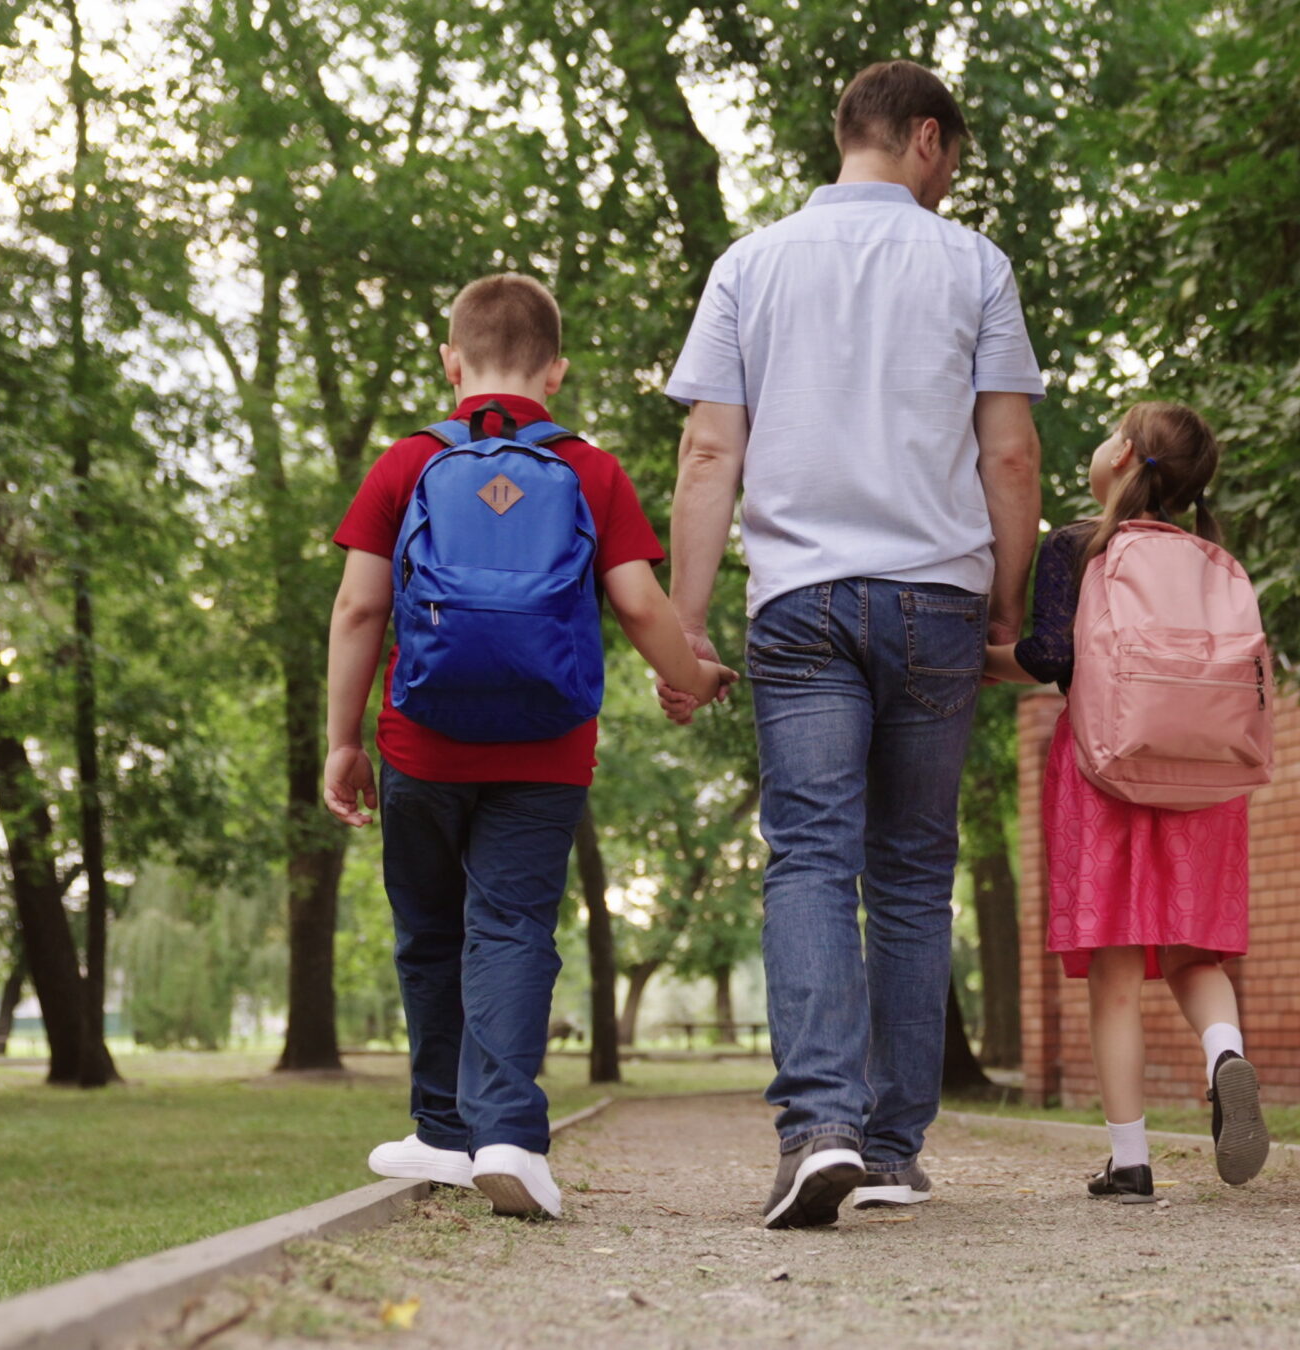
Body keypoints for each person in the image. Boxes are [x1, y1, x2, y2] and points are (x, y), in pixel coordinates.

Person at [659, 59, 1046, 1228]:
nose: (949, 184)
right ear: (927, 139)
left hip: (803, 607)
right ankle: (890, 1149)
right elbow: (1012, 455)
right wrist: (1009, 610)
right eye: (954, 162)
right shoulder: (974, 265)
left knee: (812, 858)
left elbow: (709, 457)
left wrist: (683, 626)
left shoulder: (750, 266)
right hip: (934, 600)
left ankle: (816, 1129)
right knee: (916, 875)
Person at [323, 272, 735, 1219]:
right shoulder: (590, 470)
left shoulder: (406, 462)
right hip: (547, 750)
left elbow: (358, 608)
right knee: (510, 928)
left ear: (450, 361)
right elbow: (638, 603)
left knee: (430, 934)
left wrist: (345, 742)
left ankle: (438, 1130)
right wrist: (691, 674)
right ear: (556, 370)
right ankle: (507, 1133)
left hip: (421, 742)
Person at [984, 402, 1267, 1202]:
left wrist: (977, 659)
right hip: (1205, 781)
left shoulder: (1078, 544)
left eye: (1113, 432)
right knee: (1193, 951)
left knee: (1113, 970)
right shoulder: (1210, 558)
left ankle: (1132, 1161)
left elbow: (1049, 655)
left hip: (1102, 774)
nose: (1102, 444)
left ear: (1127, 459)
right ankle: (1223, 1055)